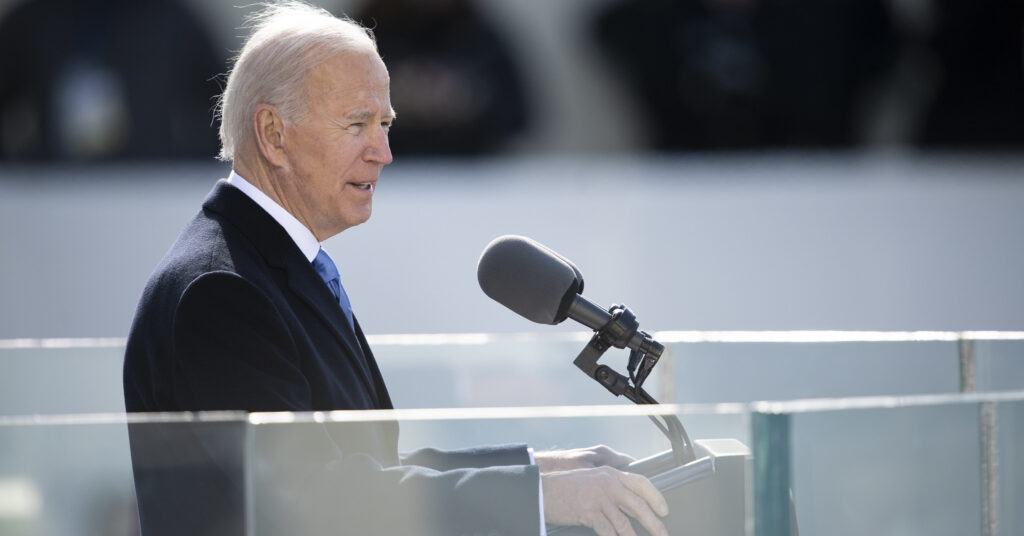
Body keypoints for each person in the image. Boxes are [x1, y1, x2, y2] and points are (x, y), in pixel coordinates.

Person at [122, 2, 669, 535]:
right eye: (357, 124)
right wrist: (540, 497)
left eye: (385, 123)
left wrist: (544, 469)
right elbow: (312, 499)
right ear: (273, 134)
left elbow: (367, 471)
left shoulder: (271, 262)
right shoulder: (220, 289)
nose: (382, 151)